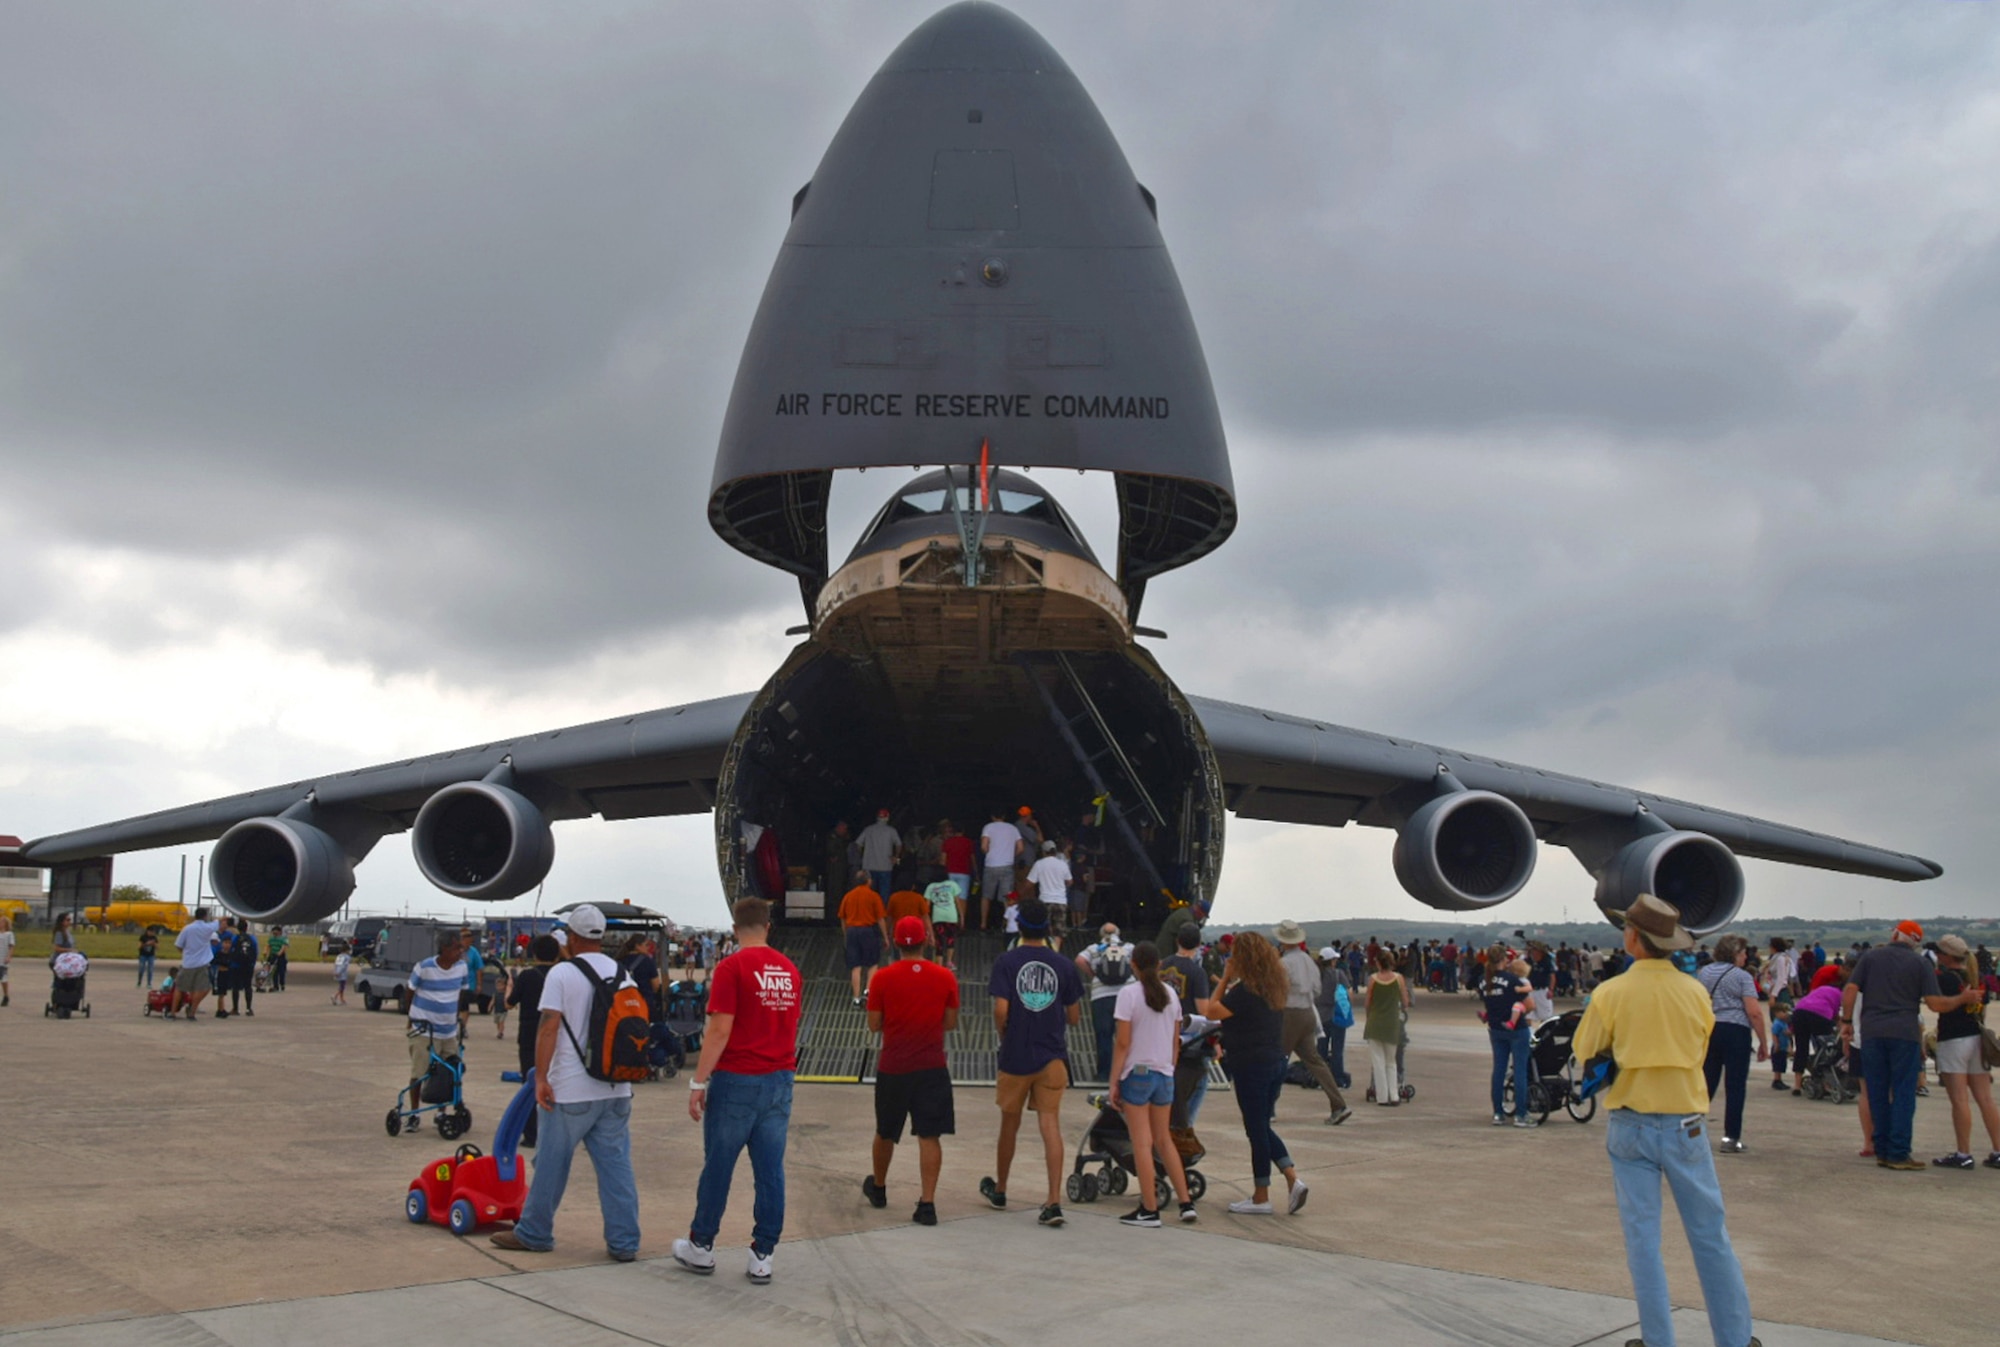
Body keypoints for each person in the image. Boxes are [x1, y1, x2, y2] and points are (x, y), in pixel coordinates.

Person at [1573, 894, 1758, 1347]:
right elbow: (1698, 1049)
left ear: (1632, 937)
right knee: (1710, 1237)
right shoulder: (1693, 991)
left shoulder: (1611, 992)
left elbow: (1585, 1050)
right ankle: (1734, 1338)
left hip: (1631, 1123)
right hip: (1684, 1124)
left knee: (1643, 1241)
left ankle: (1659, 1340)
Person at [491, 905, 641, 1261]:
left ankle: (534, 1232)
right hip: (616, 1087)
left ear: (572, 938)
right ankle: (624, 1243)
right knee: (616, 1168)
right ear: (601, 937)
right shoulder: (623, 973)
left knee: (551, 1164)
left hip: (571, 1089)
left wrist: (541, 1077)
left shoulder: (562, 974)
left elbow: (549, 1026)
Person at [674, 897, 802, 1285]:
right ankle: (763, 1253)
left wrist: (699, 1081)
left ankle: (702, 1245)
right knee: (770, 1171)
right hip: (779, 1079)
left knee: (719, 1166)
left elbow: (719, 1030)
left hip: (737, 1080)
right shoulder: (790, 971)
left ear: (734, 929)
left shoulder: (732, 968)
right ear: (768, 926)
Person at [981, 896, 1083, 1227]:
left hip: (1015, 1055)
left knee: (1008, 1124)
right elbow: (1074, 1017)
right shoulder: (1065, 966)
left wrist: (1004, 1035)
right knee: (1050, 1124)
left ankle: (1000, 1189)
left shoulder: (1007, 962)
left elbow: (1001, 1010)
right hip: (1052, 1056)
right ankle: (1053, 1201)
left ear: (1019, 925)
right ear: (1049, 928)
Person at [1199, 931, 1307, 1216]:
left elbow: (1211, 1011)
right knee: (1260, 1125)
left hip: (1251, 1065)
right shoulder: (1272, 987)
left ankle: (1263, 1195)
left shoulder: (1244, 992)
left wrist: (1224, 978)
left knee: (1256, 1129)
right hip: (1275, 1061)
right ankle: (1291, 1178)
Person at [862, 915, 960, 1225]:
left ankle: (878, 1187)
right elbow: (950, 1022)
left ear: (894, 943)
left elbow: (874, 1025)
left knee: (885, 1130)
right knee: (930, 1135)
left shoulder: (881, 978)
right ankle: (927, 1204)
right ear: (926, 941)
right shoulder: (945, 977)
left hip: (894, 1066)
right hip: (932, 1066)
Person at [1842, 919, 1960, 1170]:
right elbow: (1935, 1004)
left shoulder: (1871, 957)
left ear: (1895, 934)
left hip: (1872, 1032)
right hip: (1904, 1033)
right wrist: (1963, 998)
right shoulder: (1920, 963)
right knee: (1904, 1093)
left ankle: (1882, 1149)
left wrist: (1846, 1021)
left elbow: (1851, 988)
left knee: (1876, 1092)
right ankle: (1898, 1152)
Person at [1109, 942, 1197, 1226]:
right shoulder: (1171, 994)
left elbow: (1123, 1043)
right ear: (1159, 965)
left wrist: (1114, 1081)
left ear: (1133, 965)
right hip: (1165, 1073)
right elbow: (1175, 1040)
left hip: (1139, 1073)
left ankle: (1149, 1208)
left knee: (1142, 1144)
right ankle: (1185, 1203)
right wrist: (1169, 1067)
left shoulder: (1128, 995)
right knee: (1164, 1139)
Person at [1929, 934, 2000, 1169]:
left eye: (1939, 953)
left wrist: (1958, 999)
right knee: (1985, 1099)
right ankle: (1998, 1149)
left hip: (1954, 1040)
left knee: (1959, 1100)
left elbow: (1937, 1005)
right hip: (1976, 1039)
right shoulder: (1977, 977)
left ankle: (1963, 1152)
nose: (1937, 956)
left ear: (1947, 956)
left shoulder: (1946, 979)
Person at [1696, 934, 1769, 1155]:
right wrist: (1763, 1042)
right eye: (1743, 953)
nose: (1746, 957)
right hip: (1736, 1030)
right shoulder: (1742, 976)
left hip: (1711, 1028)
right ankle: (1731, 1137)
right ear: (1735, 954)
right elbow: (1754, 1011)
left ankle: (1693, 1132)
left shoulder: (1705, 972)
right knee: (1735, 1085)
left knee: (1706, 1082)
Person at [1274, 921, 1351, 1124]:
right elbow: (1316, 989)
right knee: (1315, 1060)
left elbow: (1278, 990)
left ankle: (1268, 1107)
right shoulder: (1309, 961)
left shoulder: (1283, 963)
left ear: (1283, 941)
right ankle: (1338, 1104)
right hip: (1309, 1011)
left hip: (1291, 1013)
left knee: (1278, 1059)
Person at [403, 929, 469, 1133]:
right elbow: (410, 992)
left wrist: (461, 1020)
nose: (461, 951)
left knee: (449, 1072)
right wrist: (411, 1017)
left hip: (448, 1031)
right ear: (445, 948)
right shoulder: (424, 967)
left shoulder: (462, 968)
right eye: (457, 947)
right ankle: (414, 1114)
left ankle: (441, 1111)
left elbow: (462, 995)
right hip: (424, 1030)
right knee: (419, 1072)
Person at [506, 934, 563, 1149]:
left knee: (531, 1083)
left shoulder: (528, 976)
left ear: (534, 953)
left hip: (530, 1035)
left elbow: (510, 1004)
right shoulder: (563, 974)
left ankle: (531, 1133)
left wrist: (511, 985)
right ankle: (557, 1131)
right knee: (556, 1082)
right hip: (558, 1034)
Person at [1480, 945, 1533, 1127]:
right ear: (1505, 959)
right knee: (1520, 1071)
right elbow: (1530, 1004)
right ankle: (1520, 1114)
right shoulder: (1513, 980)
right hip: (1516, 1029)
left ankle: (1497, 1112)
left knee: (1499, 1070)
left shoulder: (1484, 982)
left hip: (1495, 1028)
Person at [1076, 923, 1134, 1084]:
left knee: (1104, 1036)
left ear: (1101, 934)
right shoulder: (1128, 947)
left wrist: (1093, 974)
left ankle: (1104, 1074)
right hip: (1126, 995)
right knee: (1128, 1035)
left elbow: (1079, 960)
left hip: (1101, 996)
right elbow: (1139, 961)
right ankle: (1127, 1070)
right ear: (1118, 933)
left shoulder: (1094, 948)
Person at [1362, 947, 1410, 1108]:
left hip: (1375, 1022)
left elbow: (1367, 1003)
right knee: (1391, 1061)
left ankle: (1381, 1096)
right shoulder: (1399, 978)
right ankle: (1394, 1094)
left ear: (1378, 963)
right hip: (1392, 1023)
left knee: (1378, 1061)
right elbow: (1405, 1002)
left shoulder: (1373, 979)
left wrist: (1369, 1016)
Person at [1788, 971, 1842, 1094]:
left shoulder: (1820, 989)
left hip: (1799, 1012)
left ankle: (1797, 1085)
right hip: (1820, 1015)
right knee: (1825, 1049)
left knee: (1801, 1048)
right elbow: (1837, 1017)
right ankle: (1824, 1080)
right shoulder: (1840, 994)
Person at [838, 878, 889, 1007]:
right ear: (869, 881)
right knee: (872, 963)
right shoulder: (873, 896)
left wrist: (846, 935)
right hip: (868, 931)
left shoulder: (848, 896)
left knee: (855, 966)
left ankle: (856, 999)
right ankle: (868, 991)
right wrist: (886, 937)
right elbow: (880, 919)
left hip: (852, 931)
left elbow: (842, 918)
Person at [1315, 945, 1354, 1090]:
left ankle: (1320, 1080)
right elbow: (1348, 993)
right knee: (1337, 1050)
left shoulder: (1317, 975)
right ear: (1332, 961)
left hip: (1320, 1016)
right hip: (1337, 1015)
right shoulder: (1339, 974)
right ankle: (1337, 1079)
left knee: (1321, 1050)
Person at [171, 907, 219, 1019]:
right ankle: (192, 1011)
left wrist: (185, 953)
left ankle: (172, 1012)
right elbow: (217, 923)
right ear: (205, 916)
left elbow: (178, 945)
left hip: (188, 963)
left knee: (180, 988)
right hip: (202, 964)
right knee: (203, 988)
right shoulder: (208, 928)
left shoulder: (187, 929)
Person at [979, 809, 1023, 932]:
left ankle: (983, 923)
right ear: (1004, 816)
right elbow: (1020, 848)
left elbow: (983, 846)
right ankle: (1008, 925)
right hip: (1007, 865)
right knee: (1007, 897)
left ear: (992, 816)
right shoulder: (1012, 829)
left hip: (991, 865)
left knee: (986, 896)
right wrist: (1010, 855)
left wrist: (988, 853)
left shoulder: (988, 827)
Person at [1025, 840, 1072, 933]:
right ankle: (1055, 947)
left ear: (1043, 852)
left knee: (1044, 929)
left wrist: (1016, 894)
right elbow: (1070, 881)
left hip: (1045, 901)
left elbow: (1029, 883)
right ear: (1055, 851)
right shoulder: (1063, 864)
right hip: (1060, 900)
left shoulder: (1039, 864)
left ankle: (1046, 946)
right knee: (1059, 931)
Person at [939, 820, 974, 939]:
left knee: (950, 898)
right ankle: (962, 922)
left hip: (951, 873)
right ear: (963, 831)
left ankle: (951, 923)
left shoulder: (947, 842)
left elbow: (943, 861)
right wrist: (976, 873)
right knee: (962, 898)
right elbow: (972, 859)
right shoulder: (969, 842)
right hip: (965, 873)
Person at [857, 808, 902, 897]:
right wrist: (896, 857)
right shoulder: (891, 830)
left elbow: (858, 844)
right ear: (887, 817)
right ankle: (882, 910)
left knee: (868, 893)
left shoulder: (868, 829)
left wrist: (863, 856)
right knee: (884, 894)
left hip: (869, 866)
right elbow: (899, 844)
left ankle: (869, 910)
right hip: (885, 866)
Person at [923, 874, 963, 970]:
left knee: (939, 941)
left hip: (938, 917)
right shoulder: (952, 884)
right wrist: (961, 916)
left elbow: (926, 907)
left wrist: (925, 922)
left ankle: (939, 966)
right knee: (950, 939)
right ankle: (949, 962)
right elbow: (958, 901)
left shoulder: (931, 887)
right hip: (951, 916)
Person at [826, 820, 854, 900]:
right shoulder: (833, 836)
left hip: (842, 865)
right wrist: (833, 855)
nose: (845, 831)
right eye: (844, 829)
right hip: (835, 867)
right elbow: (831, 848)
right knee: (834, 885)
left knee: (841, 885)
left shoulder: (843, 838)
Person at [268, 925, 289, 991]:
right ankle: (275, 986)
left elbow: (284, 947)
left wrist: (279, 953)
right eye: (273, 932)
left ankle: (282, 984)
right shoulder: (271, 939)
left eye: (276, 932)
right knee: (274, 972)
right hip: (273, 956)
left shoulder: (283, 939)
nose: (274, 934)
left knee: (281, 972)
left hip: (281, 957)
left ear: (280, 932)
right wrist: (268, 954)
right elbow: (269, 946)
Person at [0, 912, 14, 1007]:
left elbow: (11, 946)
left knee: (3, 978)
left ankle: (6, 995)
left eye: (2, 922)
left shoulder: (9, 934)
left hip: (3, 959)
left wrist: (9, 956)